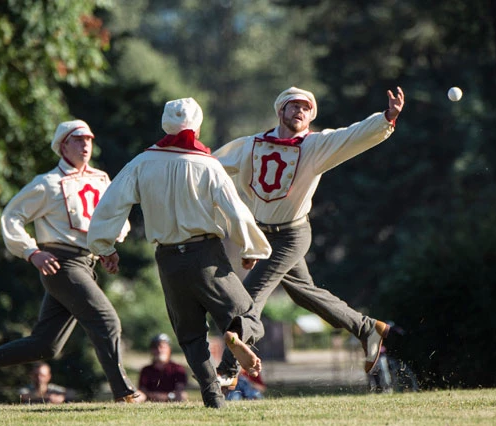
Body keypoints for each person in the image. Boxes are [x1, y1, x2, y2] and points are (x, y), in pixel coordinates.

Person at [87, 98, 272, 408]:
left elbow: (110, 205)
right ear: (197, 126)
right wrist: (250, 246)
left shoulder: (141, 163)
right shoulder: (207, 164)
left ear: (165, 124)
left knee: (190, 336)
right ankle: (235, 336)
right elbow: (236, 212)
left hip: (167, 260)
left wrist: (104, 248)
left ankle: (214, 399)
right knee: (246, 315)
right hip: (205, 256)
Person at [212, 86, 405, 382]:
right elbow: (209, 167)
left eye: (306, 108)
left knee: (250, 295)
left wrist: (386, 118)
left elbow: (351, 136)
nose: (300, 111)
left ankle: (228, 368)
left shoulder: (315, 145)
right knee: (306, 295)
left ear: (311, 115)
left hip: (292, 235)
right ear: (281, 111)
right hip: (264, 234)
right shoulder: (251, 145)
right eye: (294, 106)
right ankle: (368, 329)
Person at [0, 119, 141, 405]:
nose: (85, 144)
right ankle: (123, 392)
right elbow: (11, 216)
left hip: (86, 265)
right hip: (60, 264)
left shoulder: (101, 178)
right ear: (62, 145)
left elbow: (113, 216)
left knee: (45, 346)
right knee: (107, 320)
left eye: (88, 139)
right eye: (77, 140)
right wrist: (31, 251)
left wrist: (108, 248)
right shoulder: (46, 184)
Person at [138, 333, 188, 403]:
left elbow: (180, 390)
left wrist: (165, 396)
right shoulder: (146, 370)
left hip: (171, 399)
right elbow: (142, 390)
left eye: (162, 347)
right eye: (156, 347)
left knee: (182, 395)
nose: (159, 350)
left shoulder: (178, 369)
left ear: (169, 349)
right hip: (150, 399)